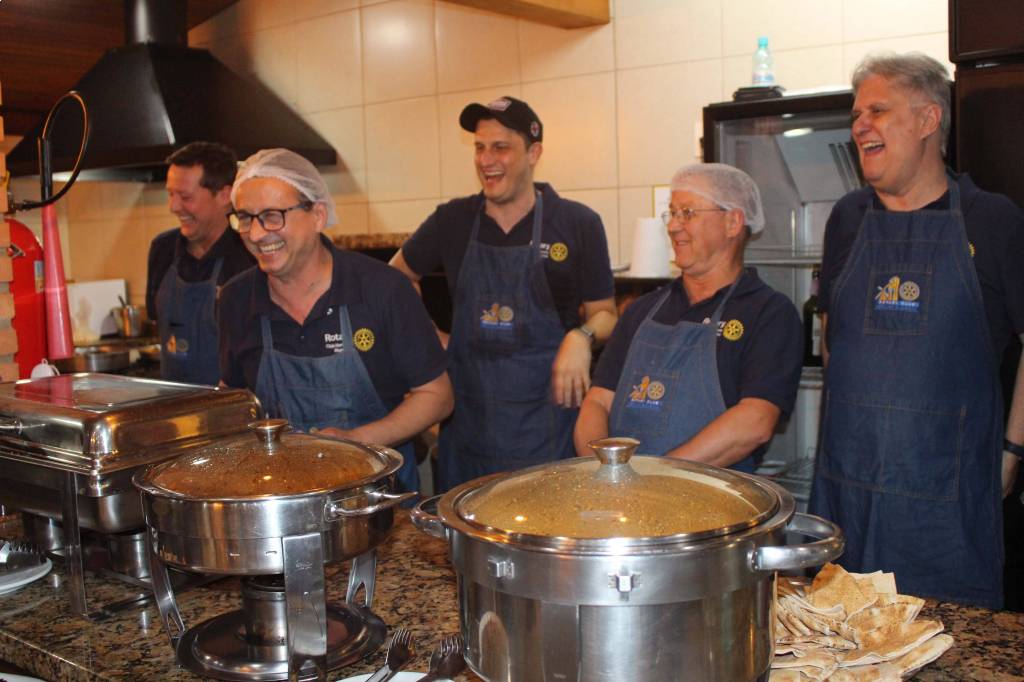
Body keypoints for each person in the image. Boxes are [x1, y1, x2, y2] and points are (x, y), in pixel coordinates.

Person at [808, 52, 1024, 610]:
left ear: (929, 119)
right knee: (840, 638)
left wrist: (1011, 452)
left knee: (948, 643)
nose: (860, 126)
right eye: (857, 115)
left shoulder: (991, 219)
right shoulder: (846, 219)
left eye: (878, 111)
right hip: (848, 488)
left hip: (946, 501)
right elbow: (833, 340)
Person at [389, 96, 618, 491]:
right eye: (480, 148)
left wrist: (580, 337)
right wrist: (432, 339)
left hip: (549, 431)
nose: (486, 160)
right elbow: (395, 280)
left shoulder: (577, 222)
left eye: (500, 147)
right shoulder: (453, 220)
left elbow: (606, 313)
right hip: (470, 431)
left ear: (534, 153)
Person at [218, 149, 453, 495]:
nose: (255, 234)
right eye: (245, 218)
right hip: (281, 499)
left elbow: (437, 395)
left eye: (272, 216)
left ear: (318, 215)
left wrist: (356, 441)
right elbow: (234, 399)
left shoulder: (382, 289)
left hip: (378, 498)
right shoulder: (236, 299)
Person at [574, 163, 802, 472]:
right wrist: (603, 470)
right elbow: (598, 401)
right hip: (620, 491)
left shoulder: (769, 314)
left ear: (733, 222)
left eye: (688, 213)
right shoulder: (642, 310)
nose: (673, 226)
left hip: (712, 496)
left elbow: (755, 421)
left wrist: (658, 475)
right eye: (672, 213)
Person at [146, 142, 255, 385]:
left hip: (231, 404)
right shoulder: (162, 250)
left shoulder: (249, 257)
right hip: (173, 402)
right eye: (170, 194)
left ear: (225, 196)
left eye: (185, 197)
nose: (173, 207)